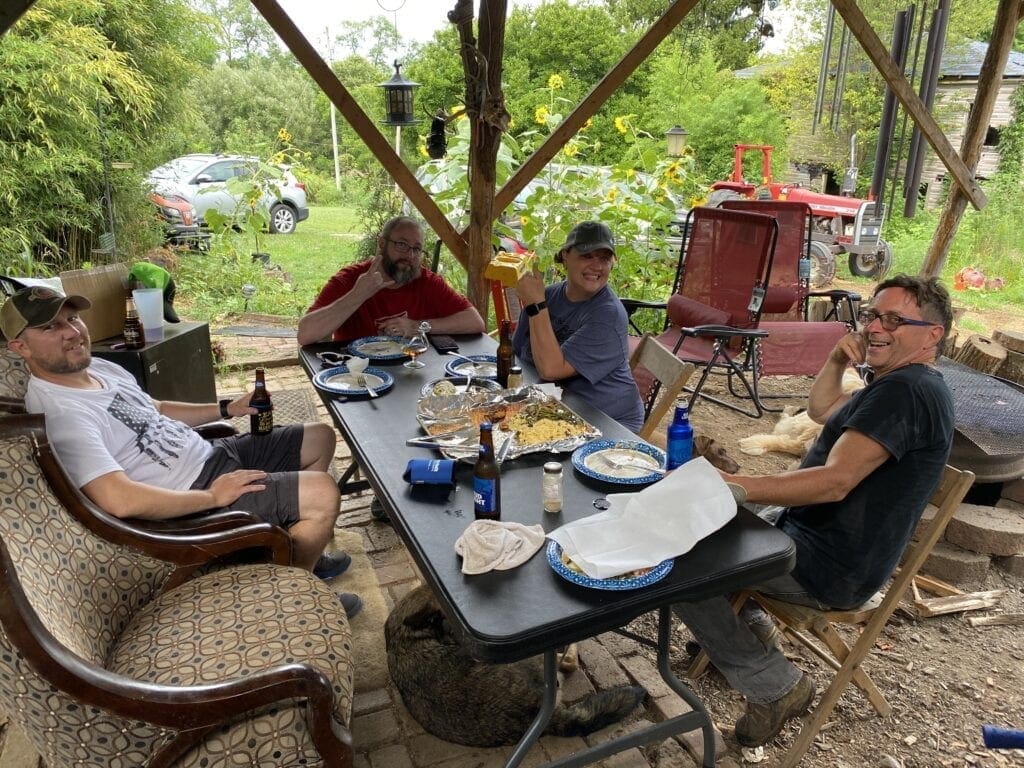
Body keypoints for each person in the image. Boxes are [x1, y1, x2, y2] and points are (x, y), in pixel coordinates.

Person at [673, 274, 955, 746]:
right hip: (809, 538)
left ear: (932, 334)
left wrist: (736, 485)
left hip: (828, 567)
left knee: (679, 560)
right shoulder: (897, 383)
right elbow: (823, 411)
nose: (874, 328)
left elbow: (834, 483)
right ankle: (753, 629)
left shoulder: (907, 392)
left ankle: (773, 685)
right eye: (872, 316)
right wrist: (837, 358)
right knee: (704, 525)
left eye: (893, 320)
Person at [1, 286, 363, 618]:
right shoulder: (63, 413)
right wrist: (213, 496)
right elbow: (118, 499)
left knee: (319, 438)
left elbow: (154, 409)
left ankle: (300, 550)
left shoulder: (96, 367)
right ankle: (300, 598)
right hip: (191, 496)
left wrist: (226, 409)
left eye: (72, 318)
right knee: (321, 493)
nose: (72, 332)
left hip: (209, 454)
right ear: (21, 348)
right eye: (50, 327)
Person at [512, 220, 644, 432]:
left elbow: (551, 370)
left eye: (604, 258)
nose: (597, 266)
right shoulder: (549, 295)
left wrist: (536, 305)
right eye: (587, 256)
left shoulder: (608, 315)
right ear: (565, 255)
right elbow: (517, 353)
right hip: (556, 407)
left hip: (607, 422)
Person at [297, 216, 485, 344]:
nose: (410, 255)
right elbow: (305, 335)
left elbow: (475, 322)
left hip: (413, 373)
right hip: (358, 377)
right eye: (402, 245)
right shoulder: (351, 279)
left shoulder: (426, 281)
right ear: (382, 243)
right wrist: (358, 294)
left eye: (416, 249)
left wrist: (417, 326)